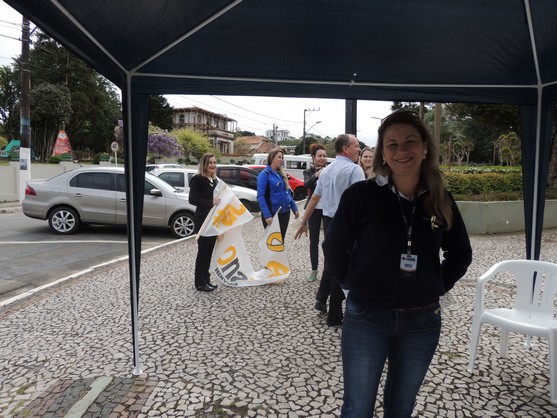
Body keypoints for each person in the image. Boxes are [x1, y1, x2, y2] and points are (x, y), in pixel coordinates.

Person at [322, 111, 473, 417]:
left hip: (422, 322)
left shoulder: (440, 198)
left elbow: (461, 254)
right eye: (392, 144)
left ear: (425, 146)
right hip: (367, 316)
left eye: (410, 142)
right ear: (383, 152)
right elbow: (334, 246)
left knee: (401, 407)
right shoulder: (362, 195)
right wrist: (351, 285)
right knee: (357, 408)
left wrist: (435, 285)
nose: (401, 151)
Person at [294, 134, 364, 326]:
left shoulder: (326, 171)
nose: (359, 149)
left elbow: (315, 198)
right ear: (345, 149)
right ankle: (335, 315)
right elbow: (361, 202)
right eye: (356, 146)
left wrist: (304, 221)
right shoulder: (355, 170)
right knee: (343, 267)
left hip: (330, 222)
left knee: (332, 263)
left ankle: (322, 300)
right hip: (348, 224)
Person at [189, 153, 221, 293]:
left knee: (208, 252)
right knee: (203, 252)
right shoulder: (197, 179)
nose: (213, 165)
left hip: (213, 221)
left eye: (214, 162)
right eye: (210, 163)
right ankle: (200, 283)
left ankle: (206, 279)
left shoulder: (214, 180)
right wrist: (211, 203)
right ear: (204, 164)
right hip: (203, 221)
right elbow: (192, 199)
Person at [257, 148, 299, 240]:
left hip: (285, 213)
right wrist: (267, 215)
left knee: (281, 241)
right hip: (272, 214)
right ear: (272, 158)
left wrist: (294, 207)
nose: (282, 159)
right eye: (279, 157)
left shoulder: (282, 174)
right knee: (272, 243)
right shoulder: (264, 175)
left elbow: (287, 192)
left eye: (282, 157)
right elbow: (260, 196)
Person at [303, 144, 328, 282]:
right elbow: (306, 185)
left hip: (328, 209)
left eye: (324, 156)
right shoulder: (308, 171)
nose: (322, 158)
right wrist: (316, 175)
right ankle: (314, 270)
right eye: (319, 156)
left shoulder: (330, 169)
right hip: (313, 209)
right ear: (313, 157)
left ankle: (328, 270)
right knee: (314, 241)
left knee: (329, 241)